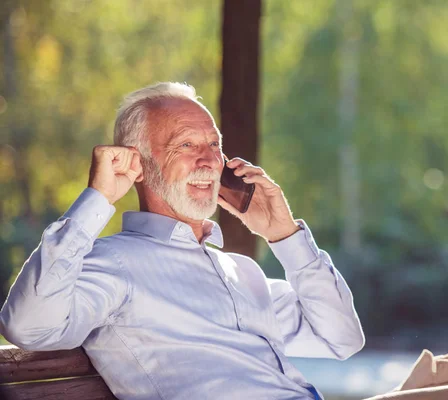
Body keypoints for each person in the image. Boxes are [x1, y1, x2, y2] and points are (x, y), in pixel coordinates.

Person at [0, 82, 365, 400]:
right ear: (136, 163)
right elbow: (28, 327)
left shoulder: (242, 271)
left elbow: (342, 339)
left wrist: (286, 236)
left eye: (214, 143)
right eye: (187, 144)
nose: (209, 159)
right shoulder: (113, 264)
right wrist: (97, 199)